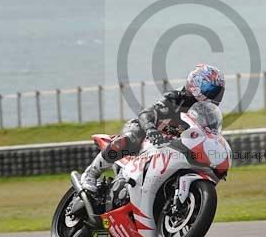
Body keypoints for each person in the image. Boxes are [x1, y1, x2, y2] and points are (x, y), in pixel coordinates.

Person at [79, 64, 226, 192]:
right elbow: (147, 113)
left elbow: (209, 136)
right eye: (210, 89)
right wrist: (150, 129)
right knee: (131, 138)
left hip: (174, 146)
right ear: (196, 83)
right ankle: (90, 174)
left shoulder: (206, 113)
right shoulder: (175, 99)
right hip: (148, 133)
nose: (213, 95)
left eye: (216, 92)